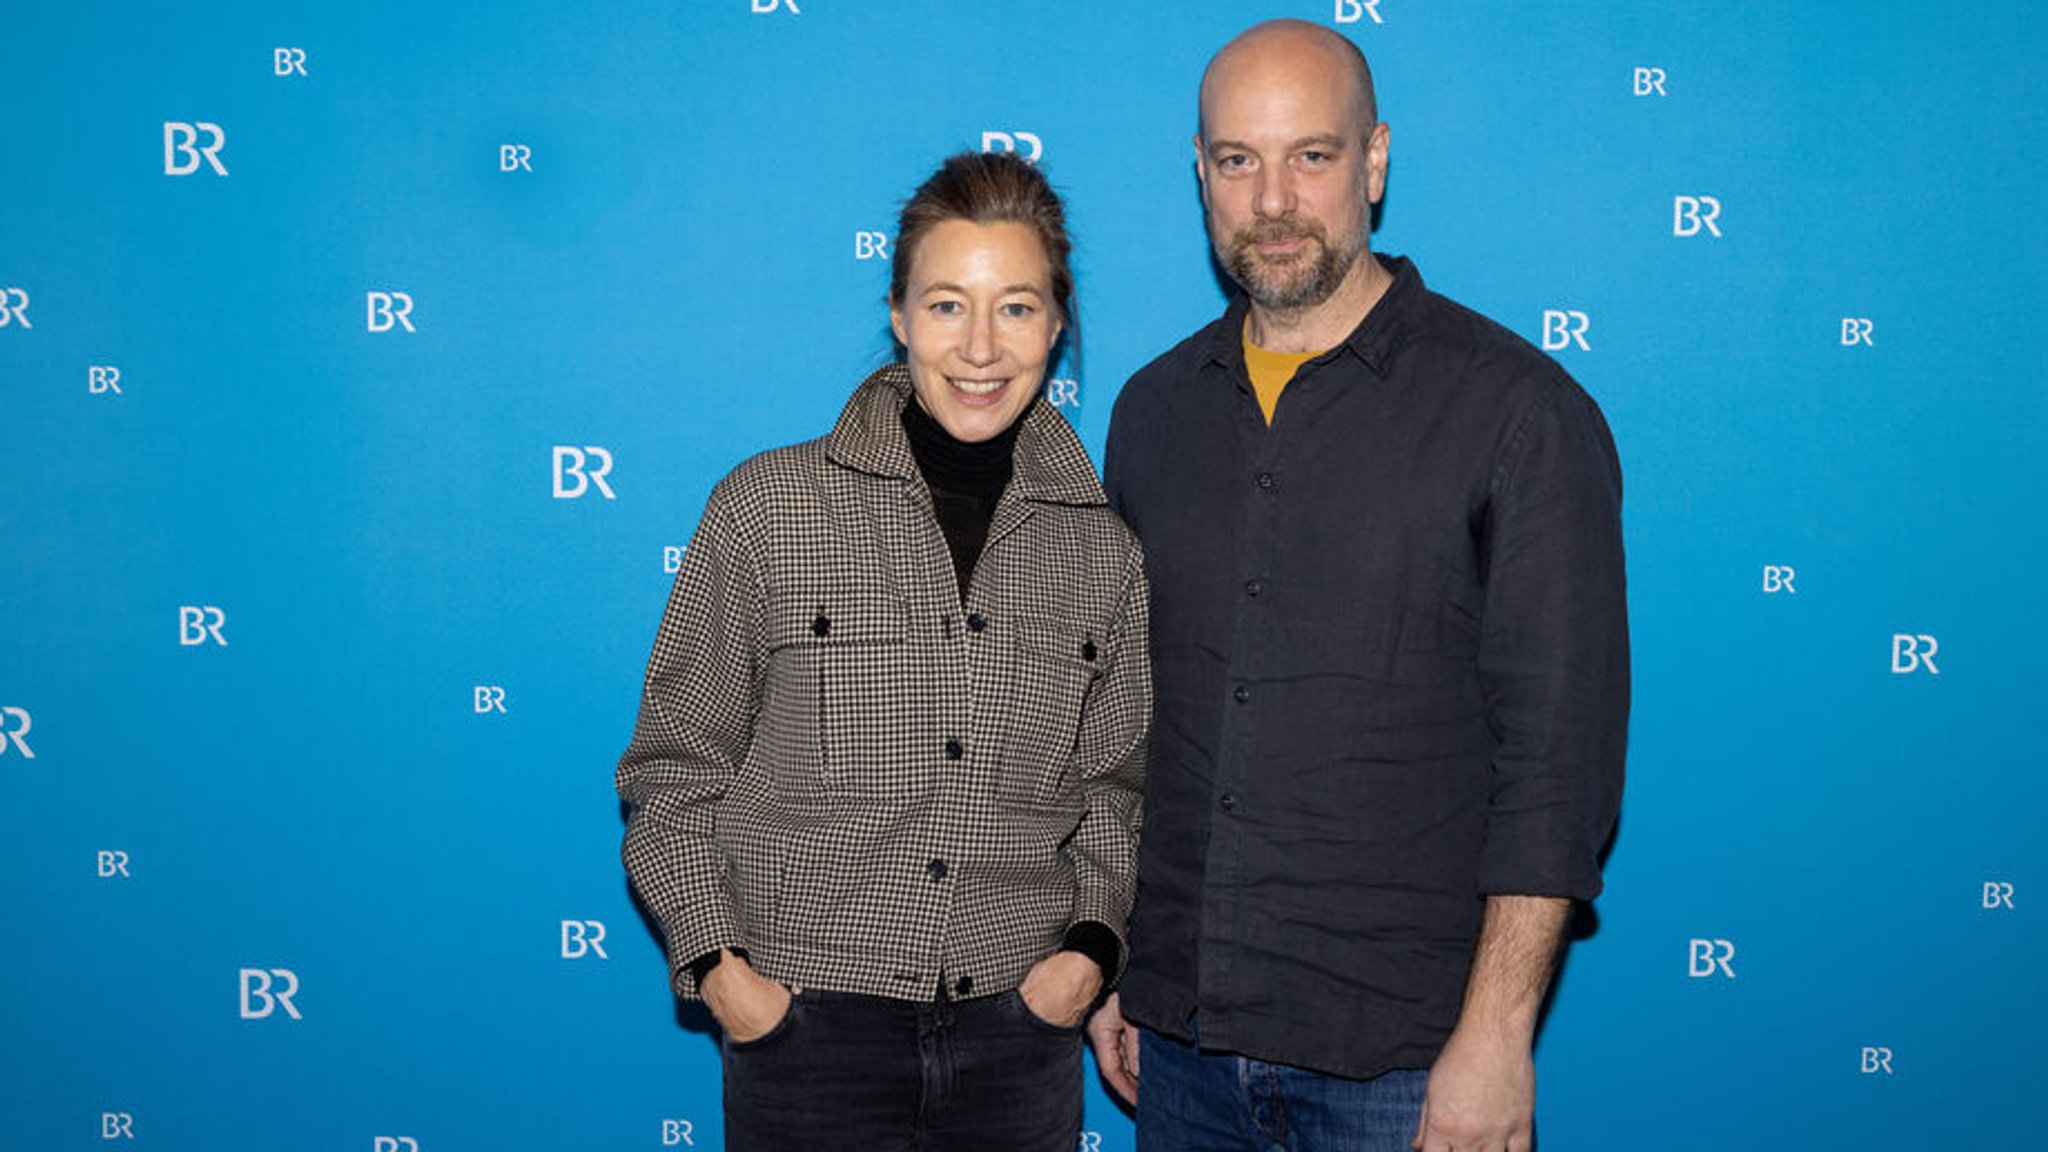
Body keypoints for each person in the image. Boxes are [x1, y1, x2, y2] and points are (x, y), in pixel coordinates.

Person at [1088, 20, 1628, 1152]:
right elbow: (1125, 725)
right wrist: (1112, 958)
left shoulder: (1518, 415)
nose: (1272, 199)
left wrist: (1495, 1035)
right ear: (1200, 173)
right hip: (1179, 1048)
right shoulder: (1150, 414)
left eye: (1312, 156)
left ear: (1373, 161)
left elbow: (1555, 767)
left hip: (1408, 1068)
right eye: (1237, 160)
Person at [616, 150, 1149, 1152]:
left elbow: (1115, 791)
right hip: (806, 1043)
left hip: (1018, 1041)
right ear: (898, 313)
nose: (980, 347)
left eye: (1017, 308)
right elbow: (673, 772)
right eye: (947, 305)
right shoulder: (765, 510)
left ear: (1056, 324)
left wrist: (1086, 951)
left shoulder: (1102, 551)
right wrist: (726, 975)